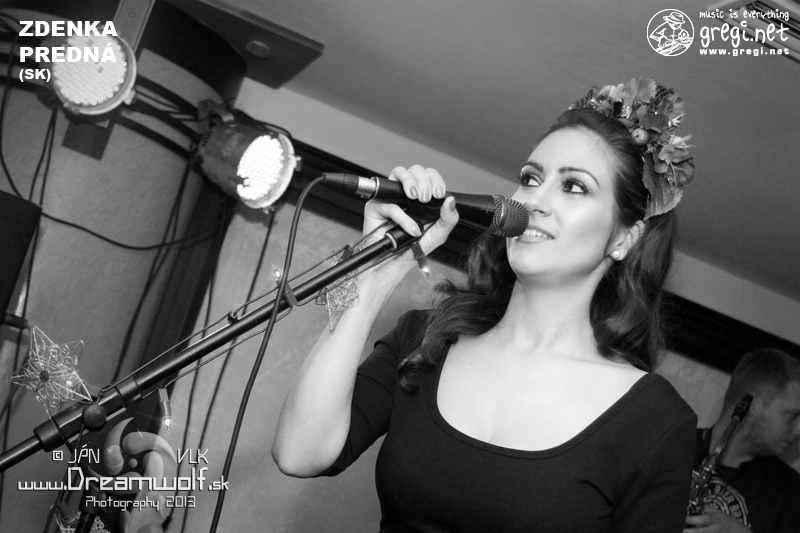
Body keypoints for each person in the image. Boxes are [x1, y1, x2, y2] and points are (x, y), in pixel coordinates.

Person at [273, 77, 699, 532]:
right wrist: (372, 275)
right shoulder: (426, 340)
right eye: (530, 179)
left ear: (625, 238)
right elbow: (300, 453)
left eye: (574, 187)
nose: (534, 201)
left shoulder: (654, 420)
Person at [684, 348, 800, 533]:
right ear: (750, 405)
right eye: (793, 415)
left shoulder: (793, 492)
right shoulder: (669, 449)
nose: (798, 429)